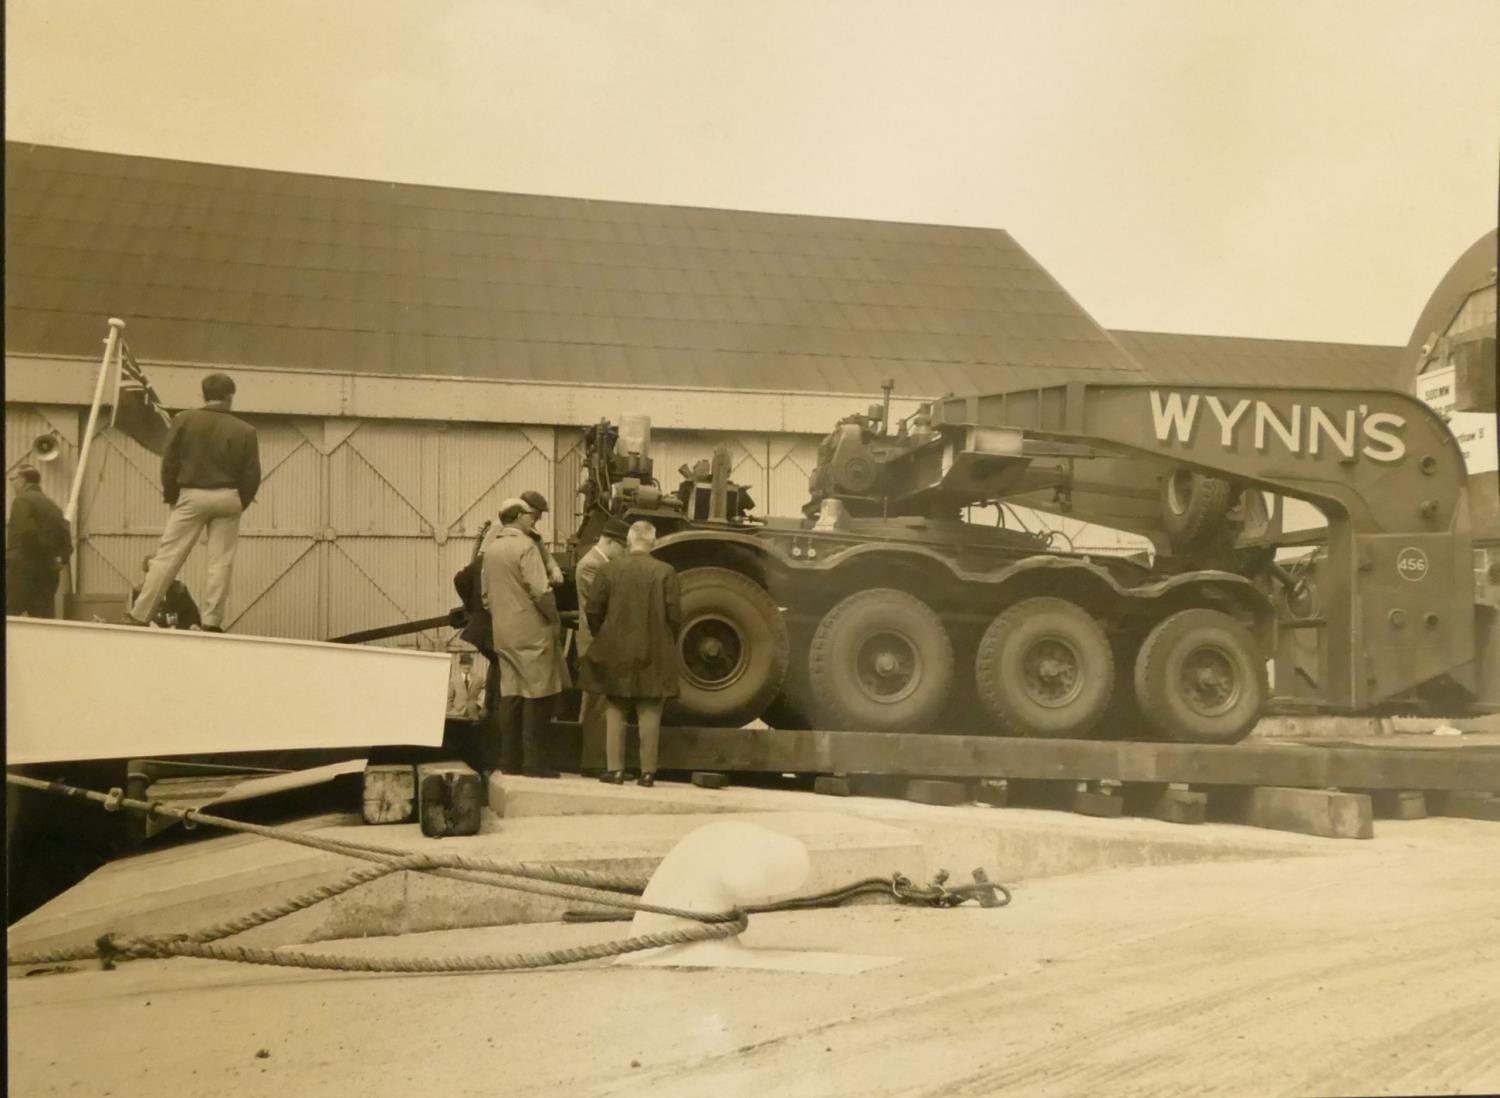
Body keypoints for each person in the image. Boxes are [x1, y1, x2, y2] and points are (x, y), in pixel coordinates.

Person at [127, 372, 260, 632]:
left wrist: (172, 496)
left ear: (203, 394)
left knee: (167, 557)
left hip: (191, 494)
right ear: (230, 397)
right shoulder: (246, 430)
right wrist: (238, 502)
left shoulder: (183, 420)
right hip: (228, 496)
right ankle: (212, 621)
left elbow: (170, 461)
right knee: (220, 562)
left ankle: (141, 614)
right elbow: (252, 473)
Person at [581, 520, 682, 787]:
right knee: (650, 711)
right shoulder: (666, 571)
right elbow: (674, 614)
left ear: (629, 540)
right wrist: (665, 638)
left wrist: (603, 634)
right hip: (655, 650)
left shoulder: (608, 569)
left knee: (615, 709)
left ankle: (614, 771)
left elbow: (593, 610)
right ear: (653, 541)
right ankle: (648, 773)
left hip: (615, 650)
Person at [481, 496, 568, 777]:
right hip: (532, 632)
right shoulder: (526, 547)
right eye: (531, 514)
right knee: (538, 695)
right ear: (518, 515)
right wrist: (554, 617)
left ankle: (509, 761)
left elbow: (485, 598)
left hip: (503, 632)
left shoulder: (492, 549)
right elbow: (541, 591)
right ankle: (535, 763)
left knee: (512, 694)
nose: (534, 519)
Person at [573, 518, 630, 746]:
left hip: (599, 641)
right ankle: (589, 754)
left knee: (598, 701)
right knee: (594, 702)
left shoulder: (599, 563)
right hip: (595, 642)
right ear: (611, 542)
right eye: (623, 547)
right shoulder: (592, 565)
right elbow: (601, 606)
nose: (625, 553)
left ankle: (592, 753)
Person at [5, 464, 71, 618]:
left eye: (12, 479)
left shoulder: (21, 501)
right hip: (48, 573)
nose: (12, 484)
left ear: (22, 480)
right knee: (43, 622)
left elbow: (25, 532)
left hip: (23, 571)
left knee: (9, 616)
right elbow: (66, 539)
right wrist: (58, 560)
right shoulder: (53, 506)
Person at [129, 555, 201, 629]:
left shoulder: (179, 590)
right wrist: (149, 624)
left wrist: (191, 625)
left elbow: (191, 616)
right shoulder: (139, 592)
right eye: (150, 571)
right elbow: (135, 620)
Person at [519, 490, 566, 587]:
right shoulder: (500, 527)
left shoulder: (534, 533)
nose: (540, 517)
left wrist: (555, 569)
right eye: (538, 512)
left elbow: (546, 556)